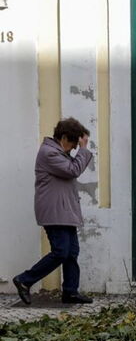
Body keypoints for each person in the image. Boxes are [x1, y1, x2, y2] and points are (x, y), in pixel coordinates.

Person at [12, 118, 95, 305]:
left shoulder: (58, 152)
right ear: (64, 137)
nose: (74, 149)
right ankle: (24, 280)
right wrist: (83, 149)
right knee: (61, 252)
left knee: (71, 252)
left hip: (65, 211)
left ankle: (70, 292)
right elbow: (74, 170)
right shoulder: (49, 153)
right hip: (54, 211)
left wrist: (80, 148)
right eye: (74, 144)